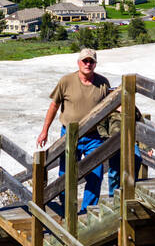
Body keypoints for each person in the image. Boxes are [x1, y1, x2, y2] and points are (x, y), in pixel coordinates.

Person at [36, 48, 136, 212]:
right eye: (85, 61)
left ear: (95, 64)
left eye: (91, 61)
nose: (88, 64)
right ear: (79, 62)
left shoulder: (103, 83)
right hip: (68, 135)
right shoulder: (66, 81)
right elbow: (54, 106)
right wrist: (44, 131)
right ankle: (67, 209)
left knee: (95, 174)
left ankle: (86, 210)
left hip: (94, 136)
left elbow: (112, 106)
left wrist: (132, 112)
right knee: (66, 175)